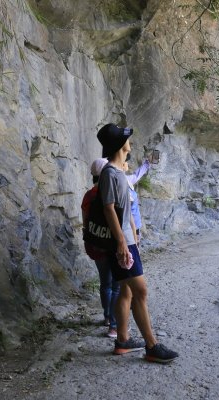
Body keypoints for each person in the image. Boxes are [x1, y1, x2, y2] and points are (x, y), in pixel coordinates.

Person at [97, 123, 179, 363]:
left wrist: (131, 236)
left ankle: (122, 340)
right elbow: (109, 209)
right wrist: (122, 242)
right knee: (140, 290)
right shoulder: (110, 174)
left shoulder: (117, 172)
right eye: (127, 140)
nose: (130, 142)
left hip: (126, 241)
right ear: (119, 146)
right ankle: (152, 346)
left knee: (127, 290)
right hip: (121, 244)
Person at [81, 158, 121, 338]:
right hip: (112, 243)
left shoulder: (88, 196)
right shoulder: (110, 192)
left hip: (96, 243)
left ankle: (106, 316)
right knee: (116, 285)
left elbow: (85, 221)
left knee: (105, 282)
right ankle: (114, 322)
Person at [123, 158, 150, 244]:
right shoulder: (122, 183)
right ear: (121, 165)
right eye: (125, 161)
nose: (128, 163)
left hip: (135, 224)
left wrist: (147, 163)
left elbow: (136, 175)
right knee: (132, 252)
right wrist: (134, 234)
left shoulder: (126, 179)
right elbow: (127, 212)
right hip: (130, 227)